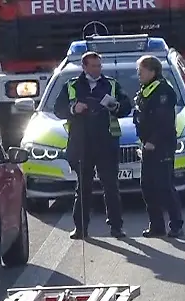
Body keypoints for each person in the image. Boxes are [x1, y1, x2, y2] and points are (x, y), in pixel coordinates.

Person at [53, 51, 132, 239]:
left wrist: (115, 106)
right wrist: (74, 108)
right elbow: (58, 109)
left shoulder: (111, 84)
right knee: (83, 188)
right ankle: (80, 228)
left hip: (106, 143)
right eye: (94, 66)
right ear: (84, 67)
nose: (98, 69)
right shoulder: (71, 86)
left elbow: (126, 107)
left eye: (99, 66)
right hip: (82, 144)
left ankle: (116, 227)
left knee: (111, 187)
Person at [133, 55, 183, 238]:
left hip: (161, 146)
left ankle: (176, 225)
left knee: (164, 186)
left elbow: (164, 122)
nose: (138, 74)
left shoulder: (163, 91)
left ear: (152, 71)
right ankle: (156, 226)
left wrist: (153, 141)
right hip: (147, 145)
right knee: (147, 186)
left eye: (141, 71)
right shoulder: (145, 89)